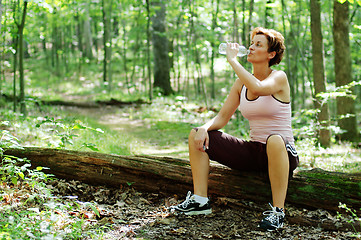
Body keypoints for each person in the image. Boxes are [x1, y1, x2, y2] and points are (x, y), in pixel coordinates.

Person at [170, 27, 299, 232]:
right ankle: (200, 200)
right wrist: (204, 128)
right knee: (196, 133)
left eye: (258, 45)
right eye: (252, 43)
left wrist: (232, 61)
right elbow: (222, 117)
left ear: (271, 54)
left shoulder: (279, 77)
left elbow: (258, 87)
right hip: (255, 151)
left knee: (274, 139)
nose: (251, 47)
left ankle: (277, 212)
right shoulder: (241, 84)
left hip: (282, 152)